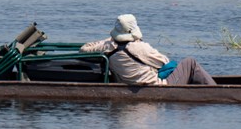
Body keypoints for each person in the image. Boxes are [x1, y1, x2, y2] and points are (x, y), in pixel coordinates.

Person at [80, 14, 217, 85]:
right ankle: (214, 91)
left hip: (126, 83)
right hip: (157, 86)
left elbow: (84, 49)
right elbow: (164, 63)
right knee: (190, 63)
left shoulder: (107, 46)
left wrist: (108, 40)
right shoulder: (140, 47)